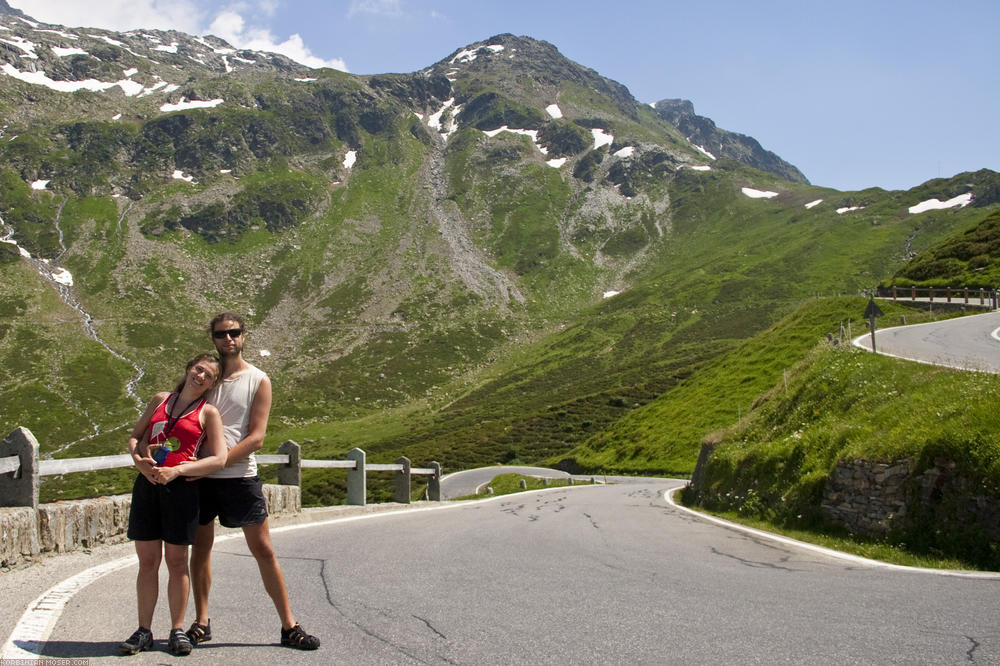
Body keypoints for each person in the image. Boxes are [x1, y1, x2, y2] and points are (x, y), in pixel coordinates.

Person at [187, 312, 320, 650]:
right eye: (220, 334)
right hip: (200, 478)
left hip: (238, 477)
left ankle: (289, 625)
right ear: (213, 338)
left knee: (262, 549)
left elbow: (257, 437)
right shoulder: (206, 378)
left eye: (233, 333)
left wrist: (215, 463)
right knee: (200, 549)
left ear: (244, 335)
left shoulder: (259, 379)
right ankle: (202, 621)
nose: (227, 339)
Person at [119, 354, 227, 657]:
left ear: (213, 383)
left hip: (181, 490)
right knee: (148, 561)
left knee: (177, 561)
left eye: (208, 375)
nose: (201, 377)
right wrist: (139, 463)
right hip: (148, 486)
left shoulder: (209, 413)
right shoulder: (160, 400)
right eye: (198, 369)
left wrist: (179, 470)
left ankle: (177, 629)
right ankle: (143, 630)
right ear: (188, 368)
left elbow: (218, 458)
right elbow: (134, 437)